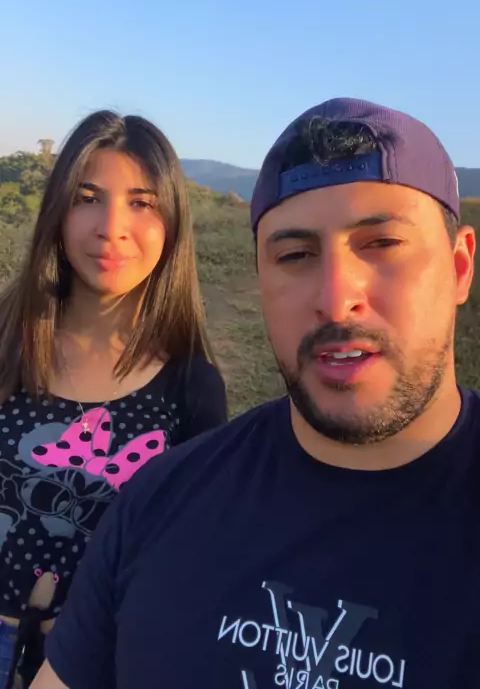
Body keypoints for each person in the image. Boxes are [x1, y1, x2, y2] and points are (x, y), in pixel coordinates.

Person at [33, 98, 479, 689]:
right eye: (296, 255)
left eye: (382, 245)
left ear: (459, 267)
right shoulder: (157, 502)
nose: (336, 298)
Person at [0, 110, 227, 688]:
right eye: (88, 198)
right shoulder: (6, 338)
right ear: (58, 211)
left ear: (171, 222)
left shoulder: (191, 388)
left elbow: (189, 560)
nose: (112, 227)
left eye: (142, 203)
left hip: (92, 664)